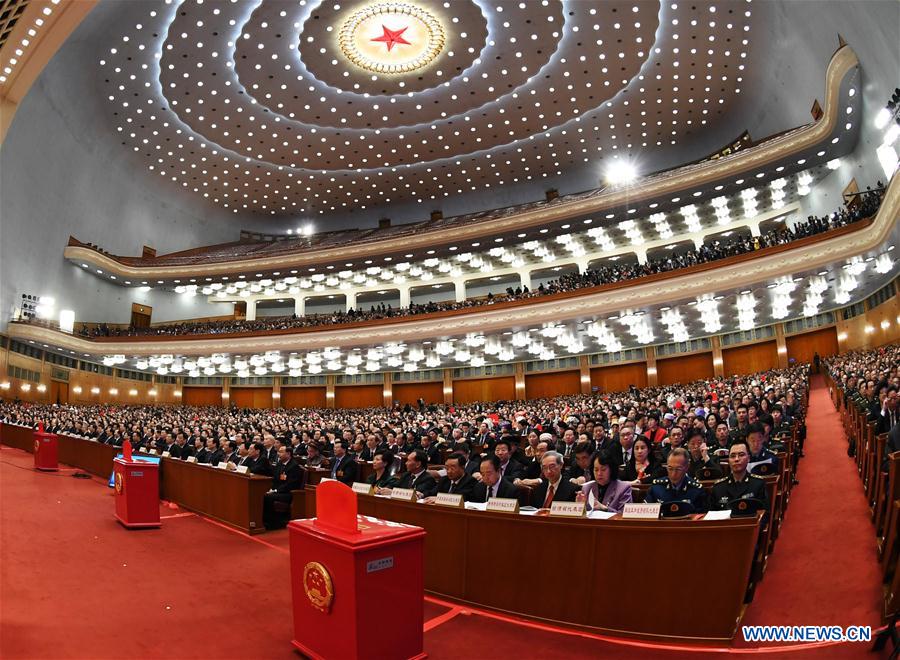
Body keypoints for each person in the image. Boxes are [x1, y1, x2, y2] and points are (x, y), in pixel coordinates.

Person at [709, 440, 768, 513]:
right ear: (728, 460)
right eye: (732, 456)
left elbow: (764, 515)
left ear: (748, 458)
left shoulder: (758, 484)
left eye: (741, 455)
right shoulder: (718, 487)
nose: (736, 459)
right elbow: (711, 517)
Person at [645, 447, 708, 512]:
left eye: (678, 469)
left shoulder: (696, 490)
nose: (673, 474)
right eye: (670, 468)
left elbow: (700, 517)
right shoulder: (656, 487)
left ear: (687, 467)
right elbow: (646, 514)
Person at [263, 446, 304, 530]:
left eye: (281, 452)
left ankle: (273, 523)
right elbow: (275, 479)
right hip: (278, 491)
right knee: (262, 493)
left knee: (267, 497)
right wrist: (272, 488)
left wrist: (276, 490)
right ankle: (265, 521)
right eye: (278, 452)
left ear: (288, 454)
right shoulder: (280, 464)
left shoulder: (294, 466)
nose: (278, 454)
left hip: (288, 493)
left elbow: (291, 484)